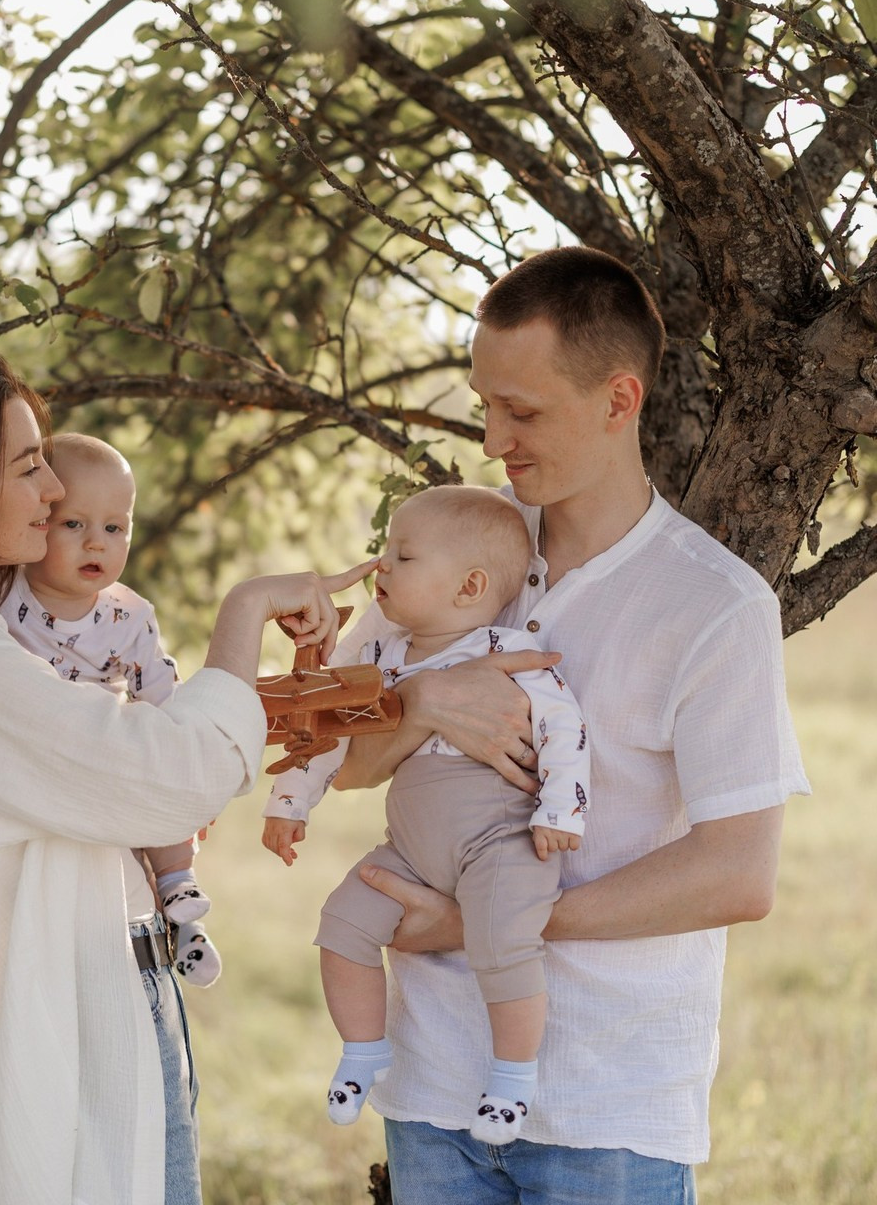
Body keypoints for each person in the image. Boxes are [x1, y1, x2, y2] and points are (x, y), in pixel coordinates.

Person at [0, 344, 373, 1205]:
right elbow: (175, 777)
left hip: (83, 1003)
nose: (54, 492)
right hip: (71, 1030)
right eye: (28, 468)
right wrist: (247, 610)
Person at [332, 247, 809, 1203]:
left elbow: (737, 874)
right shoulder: (450, 546)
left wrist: (475, 927)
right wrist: (420, 702)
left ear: (619, 400)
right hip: (431, 1093)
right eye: (486, 405)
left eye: (524, 411)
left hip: (610, 1114)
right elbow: (338, 762)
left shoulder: (714, 603)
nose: (493, 438)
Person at [260, 485, 588, 1142]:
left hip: (501, 836)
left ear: (468, 587)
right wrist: (290, 802)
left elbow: (562, 723)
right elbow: (330, 735)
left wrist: (560, 810)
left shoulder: (502, 650)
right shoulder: (380, 659)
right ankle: (363, 1049)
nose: (383, 566)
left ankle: (512, 1080)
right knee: (343, 923)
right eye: (387, 552)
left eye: (403, 556)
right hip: (409, 847)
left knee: (503, 940)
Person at [0, 431, 223, 988]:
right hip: (42, 762)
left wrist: (188, 780)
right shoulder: (4, 594)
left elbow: (164, 700)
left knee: (158, 785)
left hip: (111, 756)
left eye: (114, 527)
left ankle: (181, 898)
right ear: (39, 520)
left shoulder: (131, 617)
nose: (96, 543)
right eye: (73, 524)